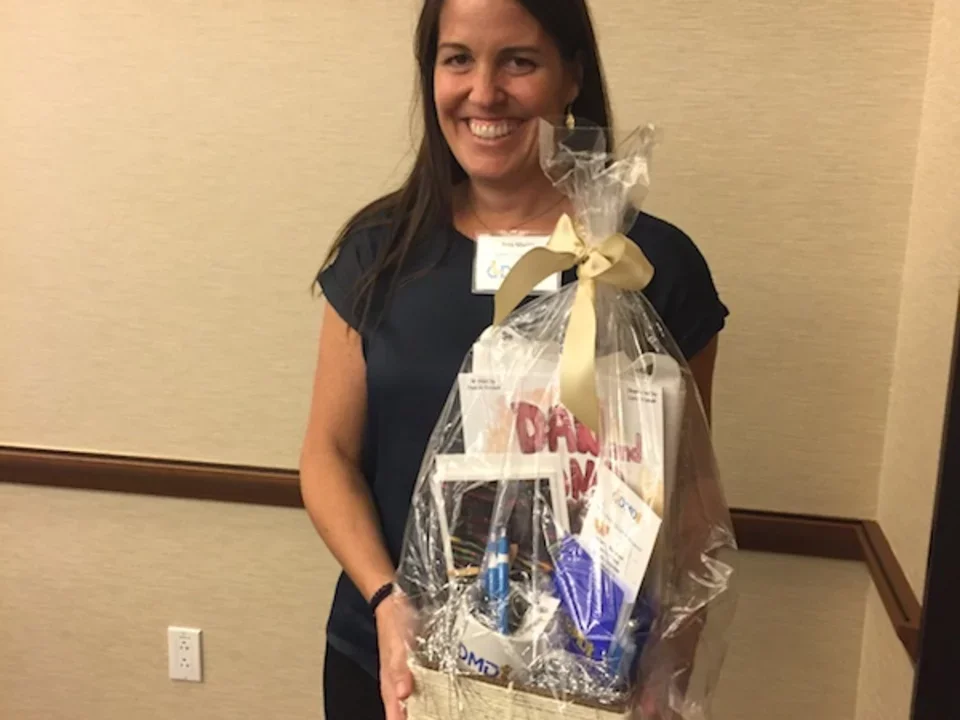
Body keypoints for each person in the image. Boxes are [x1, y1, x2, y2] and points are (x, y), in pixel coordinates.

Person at [299, 0, 729, 718]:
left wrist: (671, 664)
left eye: (519, 61)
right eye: (458, 58)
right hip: (396, 663)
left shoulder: (652, 268)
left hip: (592, 680)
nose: (484, 92)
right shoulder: (381, 253)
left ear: (571, 78)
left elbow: (688, 499)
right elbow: (326, 456)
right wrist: (386, 599)